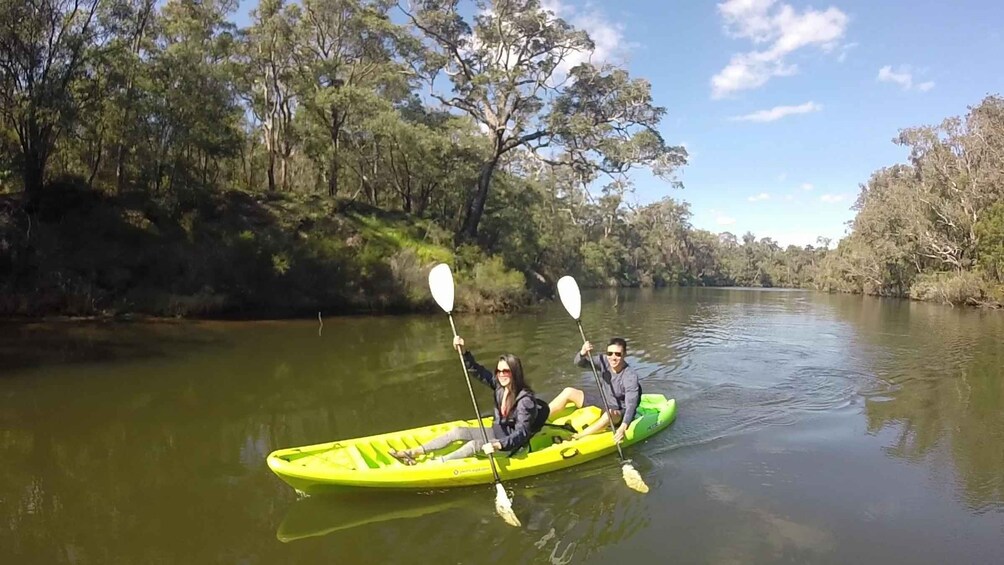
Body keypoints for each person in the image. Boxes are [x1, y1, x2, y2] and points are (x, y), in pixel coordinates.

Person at [389, 335, 548, 464]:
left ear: (515, 372)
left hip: (510, 443)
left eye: (506, 371)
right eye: (499, 371)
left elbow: (522, 431)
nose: (501, 375)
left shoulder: (525, 400)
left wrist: (499, 444)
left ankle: (439, 463)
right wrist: (463, 352)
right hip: (496, 432)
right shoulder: (499, 386)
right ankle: (413, 452)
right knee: (459, 431)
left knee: (473, 445)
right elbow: (477, 371)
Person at [547, 337, 641, 443]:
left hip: (619, 411)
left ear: (624, 354)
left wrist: (623, 427)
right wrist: (582, 353)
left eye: (618, 354)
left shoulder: (630, 376)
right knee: (569, 391)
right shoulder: (604, 361)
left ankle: (578, 437)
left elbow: (631, 406)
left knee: (609, 415)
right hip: (604, 401)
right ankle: (541, 419)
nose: (613, 357)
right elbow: (579, 363)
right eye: (610, 353)